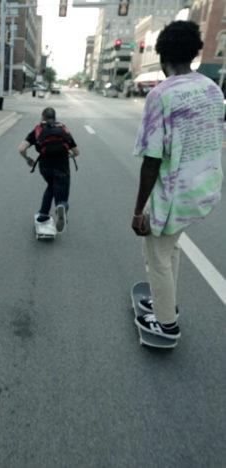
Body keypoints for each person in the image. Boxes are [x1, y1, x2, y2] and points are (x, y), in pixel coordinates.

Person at [131, 21, 223, 340]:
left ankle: (166, 323)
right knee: (171, 249)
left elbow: (153, 159)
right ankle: (163, 302)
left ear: (162, 55)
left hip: (171, 195)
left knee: (155, 256)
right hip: (202, 190)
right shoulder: (213, 89)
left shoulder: (161, 95)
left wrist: (138, 210)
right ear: (195, 52)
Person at [18, 107, 80, 233]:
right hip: (62, 167)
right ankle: (61, 207)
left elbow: (21, 148)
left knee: (51, 186)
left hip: (45, 167)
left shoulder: (38, 129)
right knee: (61, 195)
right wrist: (70, 154)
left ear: (42, 118)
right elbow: (77, 152)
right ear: (55, 118)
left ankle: (43, 214)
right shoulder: (63, 129)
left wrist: (27, 158)